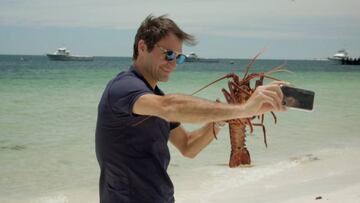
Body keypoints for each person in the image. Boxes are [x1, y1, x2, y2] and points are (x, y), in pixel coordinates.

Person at [95, 14, 287, 203]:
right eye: (168, 54)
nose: (173, 63)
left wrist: (221, 119)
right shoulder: (123, 88)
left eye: (179, 58)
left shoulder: (154, 97)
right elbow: (170, 107)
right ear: (143, 47)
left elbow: (188, 146)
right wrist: (245, 109)